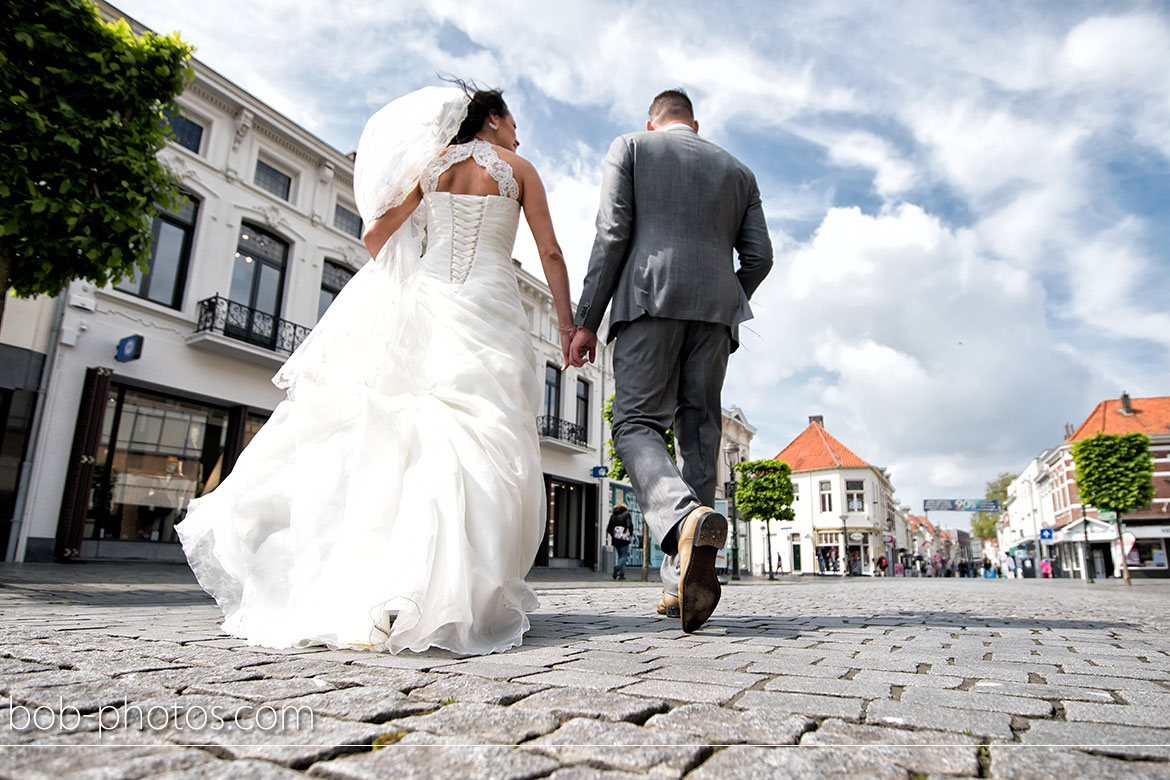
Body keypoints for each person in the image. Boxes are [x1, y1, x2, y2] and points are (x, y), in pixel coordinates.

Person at [177, 83, 576, 656]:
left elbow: (374, 234)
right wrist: (567, 326)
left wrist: (411, 266)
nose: (518, 134)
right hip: (490, 305)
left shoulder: (433, 165)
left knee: (419, 432)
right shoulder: (519, 169)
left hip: (432, 301)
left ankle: (394, 582)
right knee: (481, 433)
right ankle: (452, 591)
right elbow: (552, 253)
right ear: (493, 118)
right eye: (513, 122)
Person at [568, 89, 772, 632]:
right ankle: (681, 578)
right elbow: (760, 257)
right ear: (695, 124)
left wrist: (587, 318)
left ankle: (683, 522)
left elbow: (612, 234)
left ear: (652, 122)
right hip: (715, 316)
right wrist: (725, 298)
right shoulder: (740, 172)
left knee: (635, 422)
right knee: (700, 434)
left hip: (647, 299)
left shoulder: (632, 148)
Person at [606, 503, 635, 581]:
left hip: (616, 539)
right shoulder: (626, 514)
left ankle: (621, 574)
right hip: (624, 538)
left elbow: (608, 528)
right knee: (624, 556)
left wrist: (614, 534)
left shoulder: (613, 516)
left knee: (620, 556)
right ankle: (617, 567)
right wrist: (630, 533)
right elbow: (629, 525)